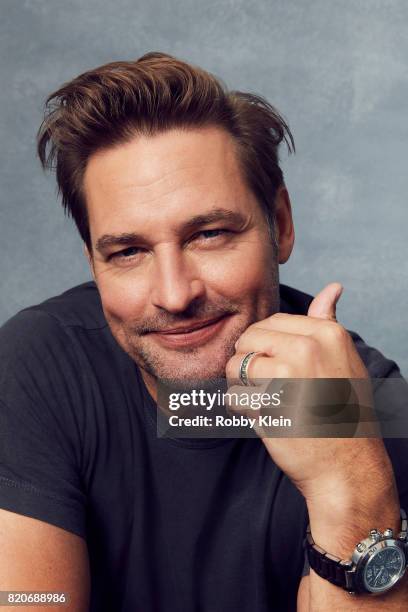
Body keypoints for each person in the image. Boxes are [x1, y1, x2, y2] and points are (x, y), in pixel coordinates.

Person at [0, 52, 407, 612]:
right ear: (94, 262)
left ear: (280, 226)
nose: (174, 294)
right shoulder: (38, 365)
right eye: (128, 251)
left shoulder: (374, 405)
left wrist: (352, 488)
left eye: (209, 234)